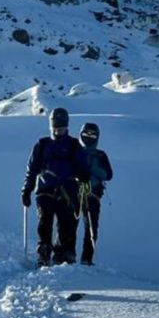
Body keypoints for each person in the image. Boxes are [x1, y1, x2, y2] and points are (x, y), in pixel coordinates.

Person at [21, 106, 90, 266]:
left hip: (68, 191)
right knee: (45, 222)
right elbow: (31, 170)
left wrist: (84, 176)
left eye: (62, 128)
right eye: (56, 128)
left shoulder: (74, 146)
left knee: (67, 224)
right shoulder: (42, 145)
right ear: (51, 127)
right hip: (45, 191)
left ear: (67, 126)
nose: (59, 131)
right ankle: (44, 253)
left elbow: (83, 167)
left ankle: (64, 254)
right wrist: (26, 191)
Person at [77, 122, 113, 265]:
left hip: (92, 196)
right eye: (86, 134)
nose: (89, 137)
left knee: (91, 227)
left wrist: (90, 168)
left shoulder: (101, 155)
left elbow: (109, 174)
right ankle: (68, 254)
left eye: (92, 134)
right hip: (75, 193)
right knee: (68, 225)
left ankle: (87, 258)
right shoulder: (75, 151)